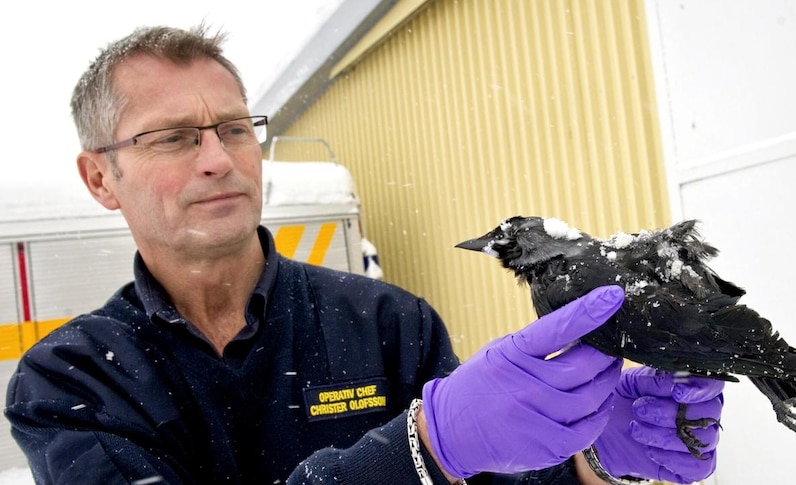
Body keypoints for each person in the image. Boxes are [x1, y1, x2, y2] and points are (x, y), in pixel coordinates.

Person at [4, 24, 724, 485]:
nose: (219, 159)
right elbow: (436, 457)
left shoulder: (387, 323)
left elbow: (482, 478)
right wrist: (420, 447)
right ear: (100, 176)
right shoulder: (68, 380)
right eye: (174, 137)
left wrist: (589, 457)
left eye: (234, 127)